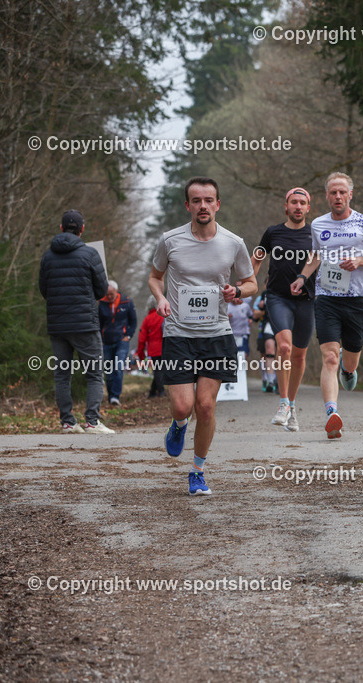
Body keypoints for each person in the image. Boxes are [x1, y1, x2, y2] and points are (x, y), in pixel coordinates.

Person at [149, 176, 257, 496]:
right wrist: (161, 298)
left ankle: (197, 470)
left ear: (218, 204)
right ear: (188, 206)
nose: (203, 206)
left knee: (206, 407)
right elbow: (156, 277)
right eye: (196, 201)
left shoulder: (233, 242)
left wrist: (237, 290)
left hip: (217, 333)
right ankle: (179, 425)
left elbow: (251, 283)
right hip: (179, 332)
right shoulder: (170, 240)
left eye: (209, 200)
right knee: (183, 407)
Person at [292, 172, 363, 439]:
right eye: (333, 192)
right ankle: (331, 413)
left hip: (356, 299)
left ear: (350, 195)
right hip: (326, 297)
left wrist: (359, 260)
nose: (337, 197)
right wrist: (303, 277)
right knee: (330, 356)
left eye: (342, 192)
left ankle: (350, 370)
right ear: (327, 196)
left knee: (348, 359)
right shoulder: (318, 224)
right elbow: (315, 255)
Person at [38, 210, 114, 434]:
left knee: (62, 374)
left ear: (61, 228)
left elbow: (44, 290)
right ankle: (92, 421)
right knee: (94, 372)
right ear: (82, 230)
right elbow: (101, 289)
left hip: (58, 325)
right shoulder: (90, 254)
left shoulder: (47, 256)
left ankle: (68, 423)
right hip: (85, 325)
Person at [252, 188, 316, 432]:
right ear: (286, 206)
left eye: (302, 203)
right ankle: (282, 403)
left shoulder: (315, 233)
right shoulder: (273, 232)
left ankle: (292, 403)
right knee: (285, 347)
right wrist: (247, 282)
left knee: (299, 355)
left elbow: (323, 258)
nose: (298, 206)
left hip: (307, 300)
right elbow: (258, 257)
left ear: (308, 208)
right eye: (294, 202)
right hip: (278, 297)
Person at [98, 280, 137, 406]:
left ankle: (115, 396)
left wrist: (128, 336)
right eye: (107, 294)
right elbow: (98, 323)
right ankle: (111, 397)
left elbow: (133, 321)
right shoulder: (102, 303)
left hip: (122, 341)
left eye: (111, 294)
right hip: (107, 342)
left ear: (116, 291)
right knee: (109, 371)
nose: (109, 297)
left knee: (118, 367)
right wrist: (100, 338)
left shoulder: (127, 302)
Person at [135, 296, 166, 398]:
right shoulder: (164, 317)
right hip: (165, 347)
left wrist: (140, 354)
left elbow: (141, 339)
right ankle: (158, 392)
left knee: (158, 370)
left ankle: (154, 392)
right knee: (159, 370)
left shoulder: (147, 319)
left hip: (153, 349)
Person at [252, 293, 277, 392]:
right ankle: (266, 379)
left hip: (280, 327)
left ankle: (275, 380)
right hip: (264, 328)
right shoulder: (261, 297)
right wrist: (264, 309)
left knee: (279, 352)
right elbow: (255, 315)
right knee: (265, 354)